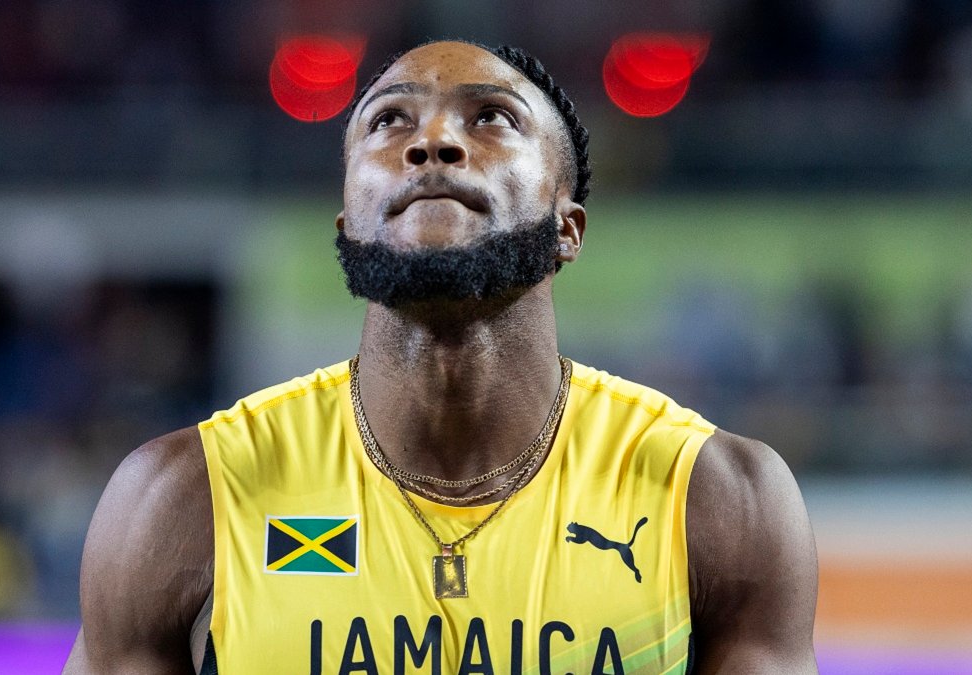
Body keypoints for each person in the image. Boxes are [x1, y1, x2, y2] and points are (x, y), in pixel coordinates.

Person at [64, 40, 818, 674]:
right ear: (348, 222)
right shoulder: (182, 497)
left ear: (568, 228)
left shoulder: (717, 498)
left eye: (492, 117)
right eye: (389, 120)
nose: (432, 142)